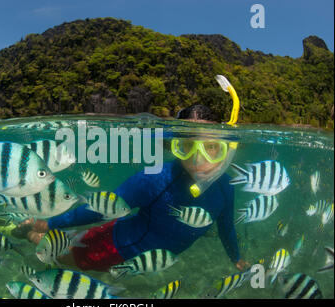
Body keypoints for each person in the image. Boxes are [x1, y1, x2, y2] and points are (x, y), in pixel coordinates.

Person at [13, 105, 249, 272]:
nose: (199, 161)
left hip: (141, 254)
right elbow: (99, 209)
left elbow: (226, 226)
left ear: (228, 147)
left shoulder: (227, 187)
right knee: (65, 257)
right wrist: (49, 223)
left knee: (78, 250)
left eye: (211, 148)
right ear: (174, 145)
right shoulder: (156, 177)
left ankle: (44, 232)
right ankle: (32, 233)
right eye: (186, 146)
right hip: (118, 246)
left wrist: (235, 257)